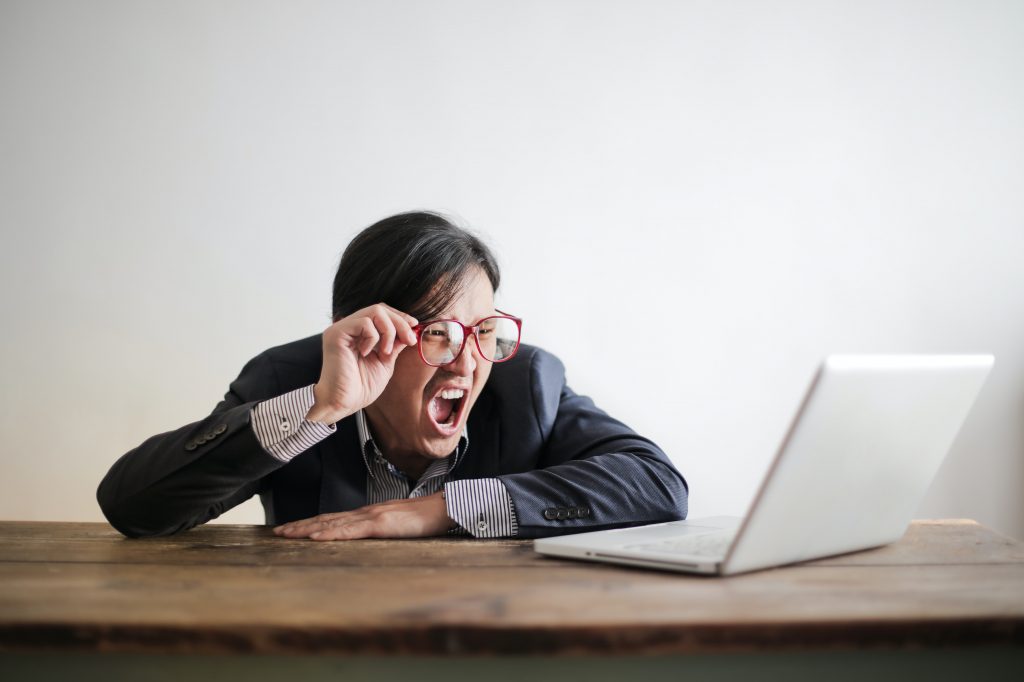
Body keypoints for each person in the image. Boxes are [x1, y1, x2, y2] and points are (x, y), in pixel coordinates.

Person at [97, 211, 689, 540]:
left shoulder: (526, 381)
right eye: (436, 332)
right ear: (362, 331)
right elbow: (132, 507)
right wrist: (319, 410)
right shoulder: (291, 379)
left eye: (484, 329)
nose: (466, 361)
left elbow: (657, 484)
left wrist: (437, 509)